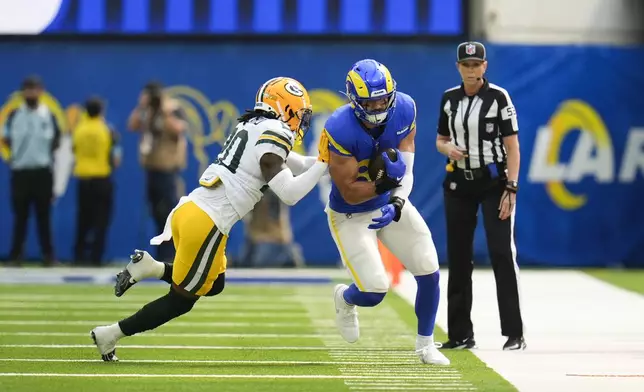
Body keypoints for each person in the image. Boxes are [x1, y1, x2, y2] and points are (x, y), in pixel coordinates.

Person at [90, 77, 329, 361]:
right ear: (283, 106)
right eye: (299, 113)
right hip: (207, 222)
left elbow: (297, 163)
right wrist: (325, 163)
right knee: (180, 302)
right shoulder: (275, 132)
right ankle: (110, 334)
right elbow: (289, 193)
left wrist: (329, 164)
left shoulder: (252, 125)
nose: (301, 121)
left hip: (193, 211)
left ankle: (151, 267)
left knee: (214, 284)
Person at [324, 59, 449, 366]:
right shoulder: (338, 127)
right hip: (350, 214)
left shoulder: (405, 108)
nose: (379, 105)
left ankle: (425, 345)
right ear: (354, 100)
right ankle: (344, 298)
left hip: (389, 204)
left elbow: (406, 172)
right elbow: (350, 191)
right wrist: (385, 185)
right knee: (374, 291)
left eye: (383, 98)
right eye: (371, 101)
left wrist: (396, 202)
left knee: (428, 267)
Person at [435, 41, 525, 351]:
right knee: (459, 258)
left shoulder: (498, 98)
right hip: (459, 183)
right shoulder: (450, 100)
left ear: (484, 66)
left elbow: (512, 146)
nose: (472, 70)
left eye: (477, 65)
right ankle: (460, 333)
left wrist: (511, 187)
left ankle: (514, 333)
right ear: (458, 67)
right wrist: (448, 149)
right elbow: (440, 139)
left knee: (501, 252)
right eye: (466, 65)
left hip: (492, 183)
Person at [2, 76, 60, 266]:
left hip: (42, 172)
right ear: (22, 93)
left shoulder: (48, 115)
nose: (31, 93)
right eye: (28, 90)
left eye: (34, 89)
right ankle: (16, 256)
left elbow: (56, 142)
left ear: (41, 91)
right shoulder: (14, 115)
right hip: (21, 172)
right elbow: (5, 138)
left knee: (44, 217)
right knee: (20, 216)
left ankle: (48, 256)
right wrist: (17, 158)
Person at [127, 81, 187, 262]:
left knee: (168, 213)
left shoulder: (173, 109)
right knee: (156, 213)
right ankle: (162, 253)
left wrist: (165, 110)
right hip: (151, 169)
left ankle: (172, 253)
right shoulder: (147, 112)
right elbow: (132, 125)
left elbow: (179, 129)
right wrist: (142, 106)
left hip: (168, 170)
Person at [72, 96, 122, 265]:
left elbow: (73, 150)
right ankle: (96, 258)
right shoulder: (107, 130)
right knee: (101, 221)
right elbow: (116, 159)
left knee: (83, 220)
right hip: (101, 178)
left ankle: (79, 257)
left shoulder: (79, 129)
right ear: (101, 111)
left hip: (83, 179)